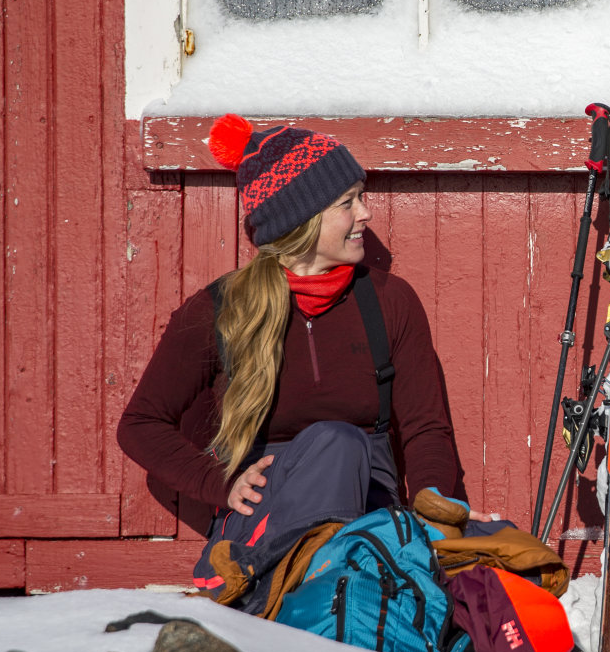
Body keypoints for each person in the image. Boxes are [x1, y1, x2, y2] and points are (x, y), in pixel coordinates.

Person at [118, 115, 464, 595]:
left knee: (343, 446)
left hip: (370, 502)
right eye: (348, 203)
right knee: (336, 442)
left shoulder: (390, 301)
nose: (366, 214)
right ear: (302, 220)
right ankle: (273, 571)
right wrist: (221, 481)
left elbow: (426, 428)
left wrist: (433, 509)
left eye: (361, 197)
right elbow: (140, 424)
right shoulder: (222, 310)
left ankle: (273, 583)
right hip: (267, 511)